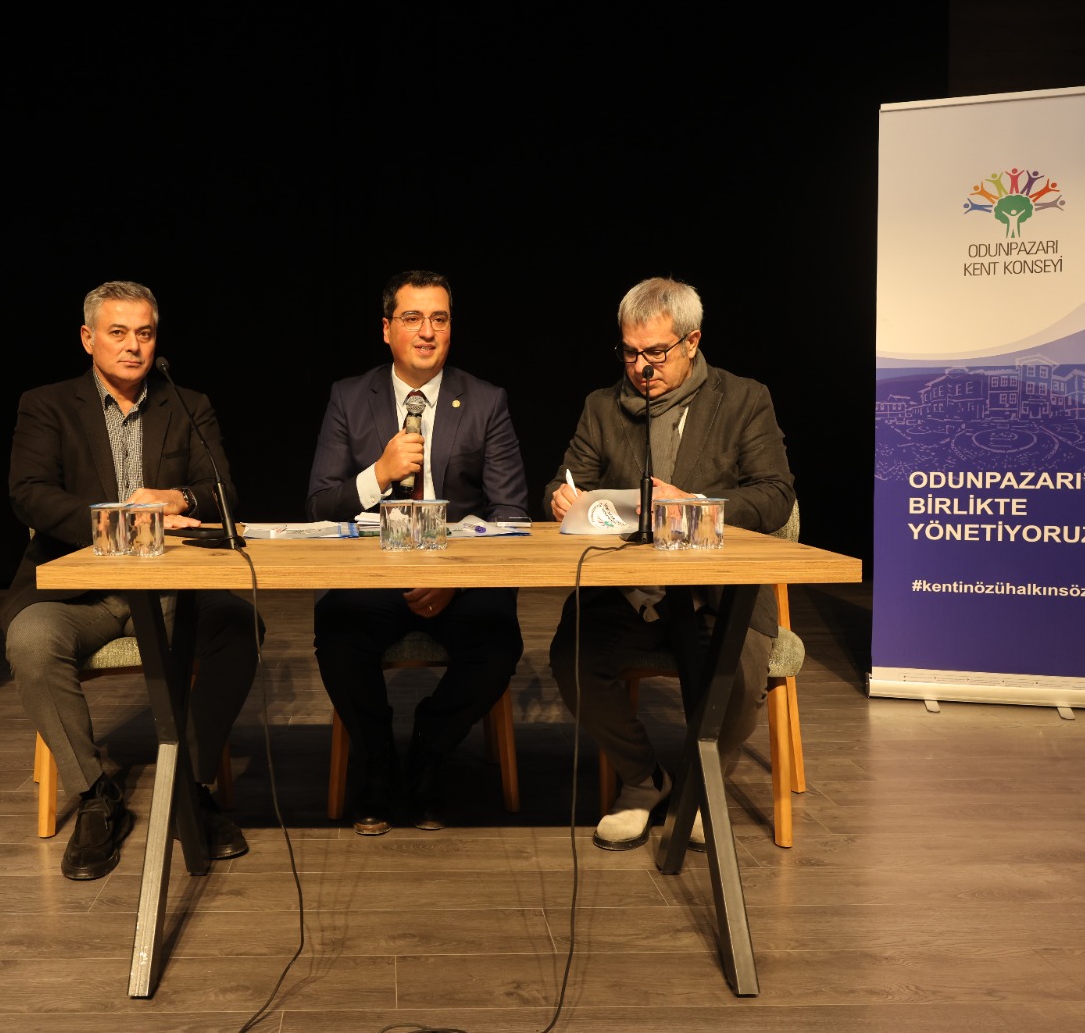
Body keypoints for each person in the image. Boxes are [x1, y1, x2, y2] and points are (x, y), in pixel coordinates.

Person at [3, 280, 259, 881]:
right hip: (79, 592)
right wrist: (119, 521)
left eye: (144, 333)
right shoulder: (46, 404)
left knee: (237, 626)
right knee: (31, 641)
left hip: (170, 590)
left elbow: (222, 492)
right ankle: (97, 795)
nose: (133, 346)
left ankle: (189, 787)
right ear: (88, 338)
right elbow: (29, 494)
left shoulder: (187, 405)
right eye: (117, 332)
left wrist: (178, 497)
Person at [546, 276, 794, 852]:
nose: (641, 367)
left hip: (717, 592)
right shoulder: (602, 407)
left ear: (692, 341)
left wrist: (698, 506)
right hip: (631, 590)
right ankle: (642, 779)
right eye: (630, 352)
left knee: (739, 681)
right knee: (571, 658)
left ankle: (699, 790)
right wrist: (560, 498)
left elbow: (775, 495)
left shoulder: (743, 399)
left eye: (655, 352)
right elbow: (565, 482)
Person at [307, 270, 527, 835]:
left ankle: (429, 753)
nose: (427, 332)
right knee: (337, 633)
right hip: (375, 574)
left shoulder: (486, 401)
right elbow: (320, 504)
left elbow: (510, 514)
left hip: (458, 576)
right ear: (387, 329)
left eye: (439, 319)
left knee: (499, 642)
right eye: (412, 318)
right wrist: (378, 474)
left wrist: (457, 578)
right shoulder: (349, 397)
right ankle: (379, 763)